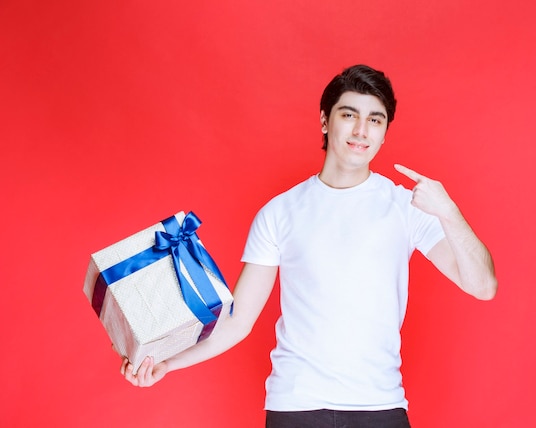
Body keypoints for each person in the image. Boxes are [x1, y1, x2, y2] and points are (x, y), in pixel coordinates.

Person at [121, 64, 497, 427]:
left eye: (375, 120)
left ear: (384, 132)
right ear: (324, 120)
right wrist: (167, 361)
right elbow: (238, 322)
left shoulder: (406, 207)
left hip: (380, 406)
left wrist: (450, 213)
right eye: (349, 115)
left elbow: (482, 286)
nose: (362, 130)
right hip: (296, 407)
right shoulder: (280, 213)